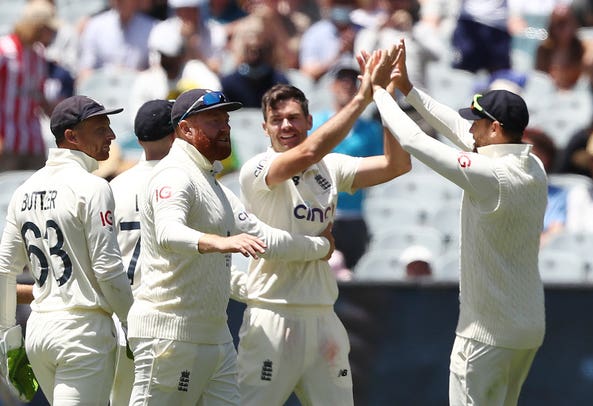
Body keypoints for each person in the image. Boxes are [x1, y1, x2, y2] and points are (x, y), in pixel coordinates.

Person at [126, 88, 337, 405]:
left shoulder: (210, 181)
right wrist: (222, 243)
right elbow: (169, 232)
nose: (225, 127)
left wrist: (320, 247)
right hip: (169, 333)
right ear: (186, 129)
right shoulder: (173, 174)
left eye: (226, 120)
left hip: (213, 335)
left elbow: (262, 237)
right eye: (213, 121)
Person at [371, 39, 546, 406]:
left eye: (479, 123)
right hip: (527, 330)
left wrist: (377, 90)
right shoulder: (534, 166)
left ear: (496, 129)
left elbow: (414, 139)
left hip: (485, 336)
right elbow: (456, 128)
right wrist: (408, 90)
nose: (472, 130)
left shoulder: (490, 174)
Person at [236, 48, 411, 405]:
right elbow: (307, 154)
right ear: (265, 126)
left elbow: (397, 165)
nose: (286, 126)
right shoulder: (258, 169)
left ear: (309, 120)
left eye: (294, 118)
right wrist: (362, 96)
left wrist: (385, 98)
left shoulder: (331, 167)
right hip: (273, 313)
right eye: (278, 119)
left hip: (323, 315)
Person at [0, 95, 134, 404]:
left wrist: (9, 338)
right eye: (101, 129)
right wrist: (132, 322)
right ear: (72, 137)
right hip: (83, 333)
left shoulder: (23, 191)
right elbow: (108, 269)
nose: (112, 136)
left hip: (39, 332)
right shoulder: (94, 187)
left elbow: (5, 271)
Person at [108, 99, 177, 406]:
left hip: (120, 315)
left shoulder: (113, 187)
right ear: (177, 135)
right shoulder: (184, 183)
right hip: (169, 315)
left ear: (138, 140)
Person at [309, 58, 384, 269]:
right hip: (319, 214)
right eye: (342, 79)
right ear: (332, 85)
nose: (347, 84)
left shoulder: (371, 129)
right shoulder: (314, 124)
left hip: (353, 215)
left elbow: (379, 167)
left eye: (353, 80)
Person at [0, 0, 61, 171]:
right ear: (38, 27)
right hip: (6, 141)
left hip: (33, 142)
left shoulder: (39, 54)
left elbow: (40, 98)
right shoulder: (5, 50)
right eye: (49, 29)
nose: (53, 34)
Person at [77, 0, 158, 84]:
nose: (120, 1)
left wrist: (128, 75)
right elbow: (84, 71)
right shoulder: (95, 25)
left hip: (137, 88)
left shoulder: (153, 28)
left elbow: (156, 72)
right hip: (102, 88)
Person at [220, 14, 290, 108]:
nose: (254, 42)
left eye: (259, 36)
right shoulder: (229, 84)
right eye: (249, 36)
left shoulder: (279, 82)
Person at [522, 128, 568, 245]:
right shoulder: (507, 191)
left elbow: (557, 232)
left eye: (531, 154)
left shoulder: (559, 195)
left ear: (546, 158)